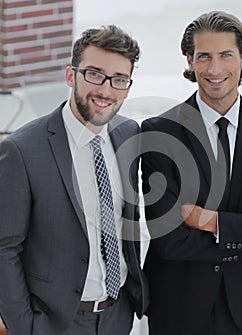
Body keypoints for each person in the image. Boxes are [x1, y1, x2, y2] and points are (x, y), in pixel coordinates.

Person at [141, 11, 242, 335]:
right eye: (204, 56)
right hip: (178, 307)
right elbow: (170, 240)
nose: (214, 69)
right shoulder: (160, 133)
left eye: (225, 55)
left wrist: (212, 222)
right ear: (189, 61)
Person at [0, 25, 148, 335]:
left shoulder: (129, 134)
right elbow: (4, 248)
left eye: (119, 80)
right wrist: (25, 326)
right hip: (54, 323)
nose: (105, 91)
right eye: (94, 74)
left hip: (117, 316)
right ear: (71, 75)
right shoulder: (22, 151)